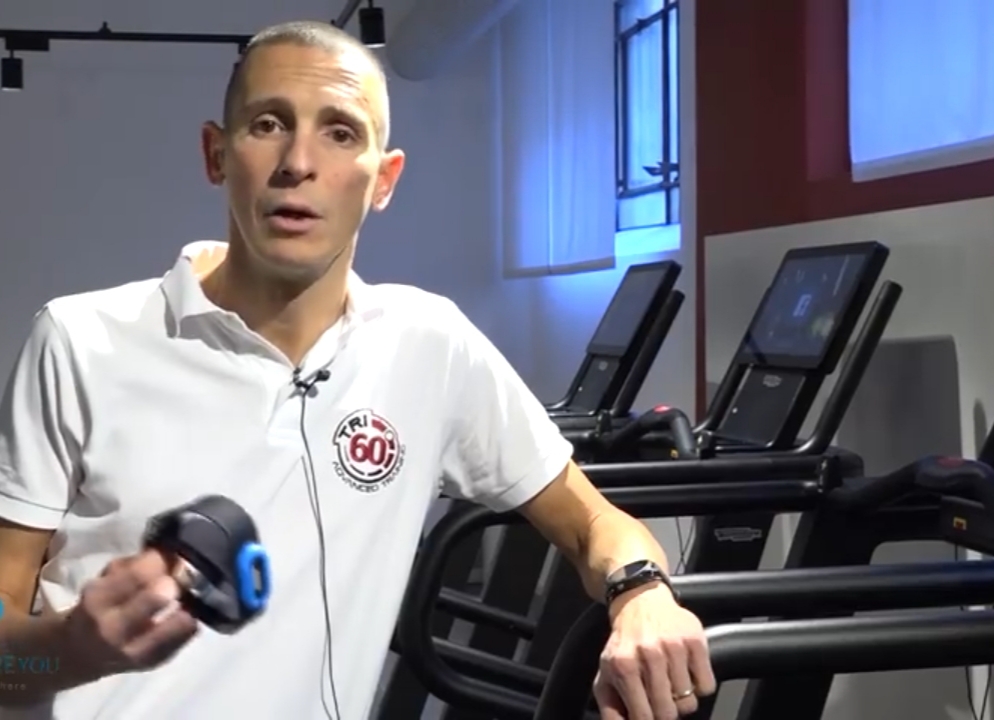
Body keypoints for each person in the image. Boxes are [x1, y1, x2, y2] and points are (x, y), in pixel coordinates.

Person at [0, 20, 716, 720]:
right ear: (216, 154)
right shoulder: (80, 340)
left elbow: (595, 524)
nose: (298, 162)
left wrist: (642, 594)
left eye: (340, 133)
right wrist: (70, 649)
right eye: (268, 124)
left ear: (384, 179)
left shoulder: (427, 344)